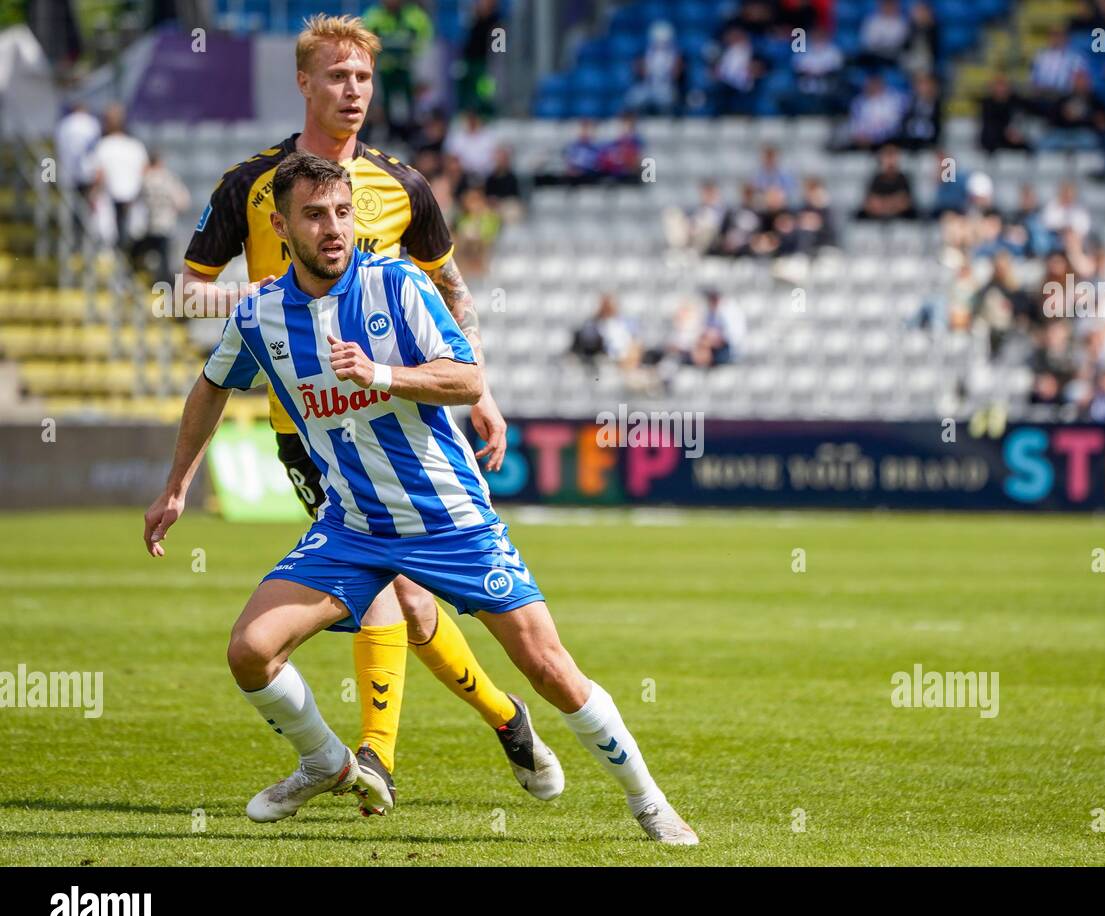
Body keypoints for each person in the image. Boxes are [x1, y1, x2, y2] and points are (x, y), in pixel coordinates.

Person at [144, 153, 698, 844]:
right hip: (351, 526)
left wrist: (380, 372)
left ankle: (649, 802)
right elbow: (211, 386)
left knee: (552, 670)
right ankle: (325, 761)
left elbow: (467, 379)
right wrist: (175, 488)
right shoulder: (260, 313)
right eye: (315, 215)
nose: (333, 227)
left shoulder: (399, 284)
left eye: (342, 212)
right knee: (250, 651)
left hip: (450, 521)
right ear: (282, 227)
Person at [178, 14, 528, 816]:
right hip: (309, 430)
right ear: (305, 82)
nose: (353, 91)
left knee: (406, 595)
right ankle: (470, 729)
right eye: (337, 76)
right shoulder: (251, 183)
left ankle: (413, 748)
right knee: (399, 595)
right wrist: (265, 306)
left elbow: (453, 294)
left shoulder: (403, 184)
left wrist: (487, 393)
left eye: (364, 78)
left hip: (405, 419)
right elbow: (189, 287)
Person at [362, 0, 432, 139]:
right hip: (384, 70)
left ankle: (411, 134)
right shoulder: (374, 16)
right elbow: (364, 40)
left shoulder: (415, 16)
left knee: (412, 103)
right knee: (382, 102)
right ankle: (385, 132)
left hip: (408, 69)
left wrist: (413, 50)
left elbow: (426, 38)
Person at [91, 103, 148, 251]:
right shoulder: (136, 146)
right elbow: (145, 173)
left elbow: (99, 176)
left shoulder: (103, 146)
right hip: (131, 200)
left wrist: (92, 196)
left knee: (110, 241)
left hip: (112, 201)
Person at [134, 149, 190, 284]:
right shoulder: (168, 178)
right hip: (166, 224)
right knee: (165, 260)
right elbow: (182, 202)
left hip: (150, 225)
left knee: (146, 256)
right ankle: (165, 285)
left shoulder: (144, 179)